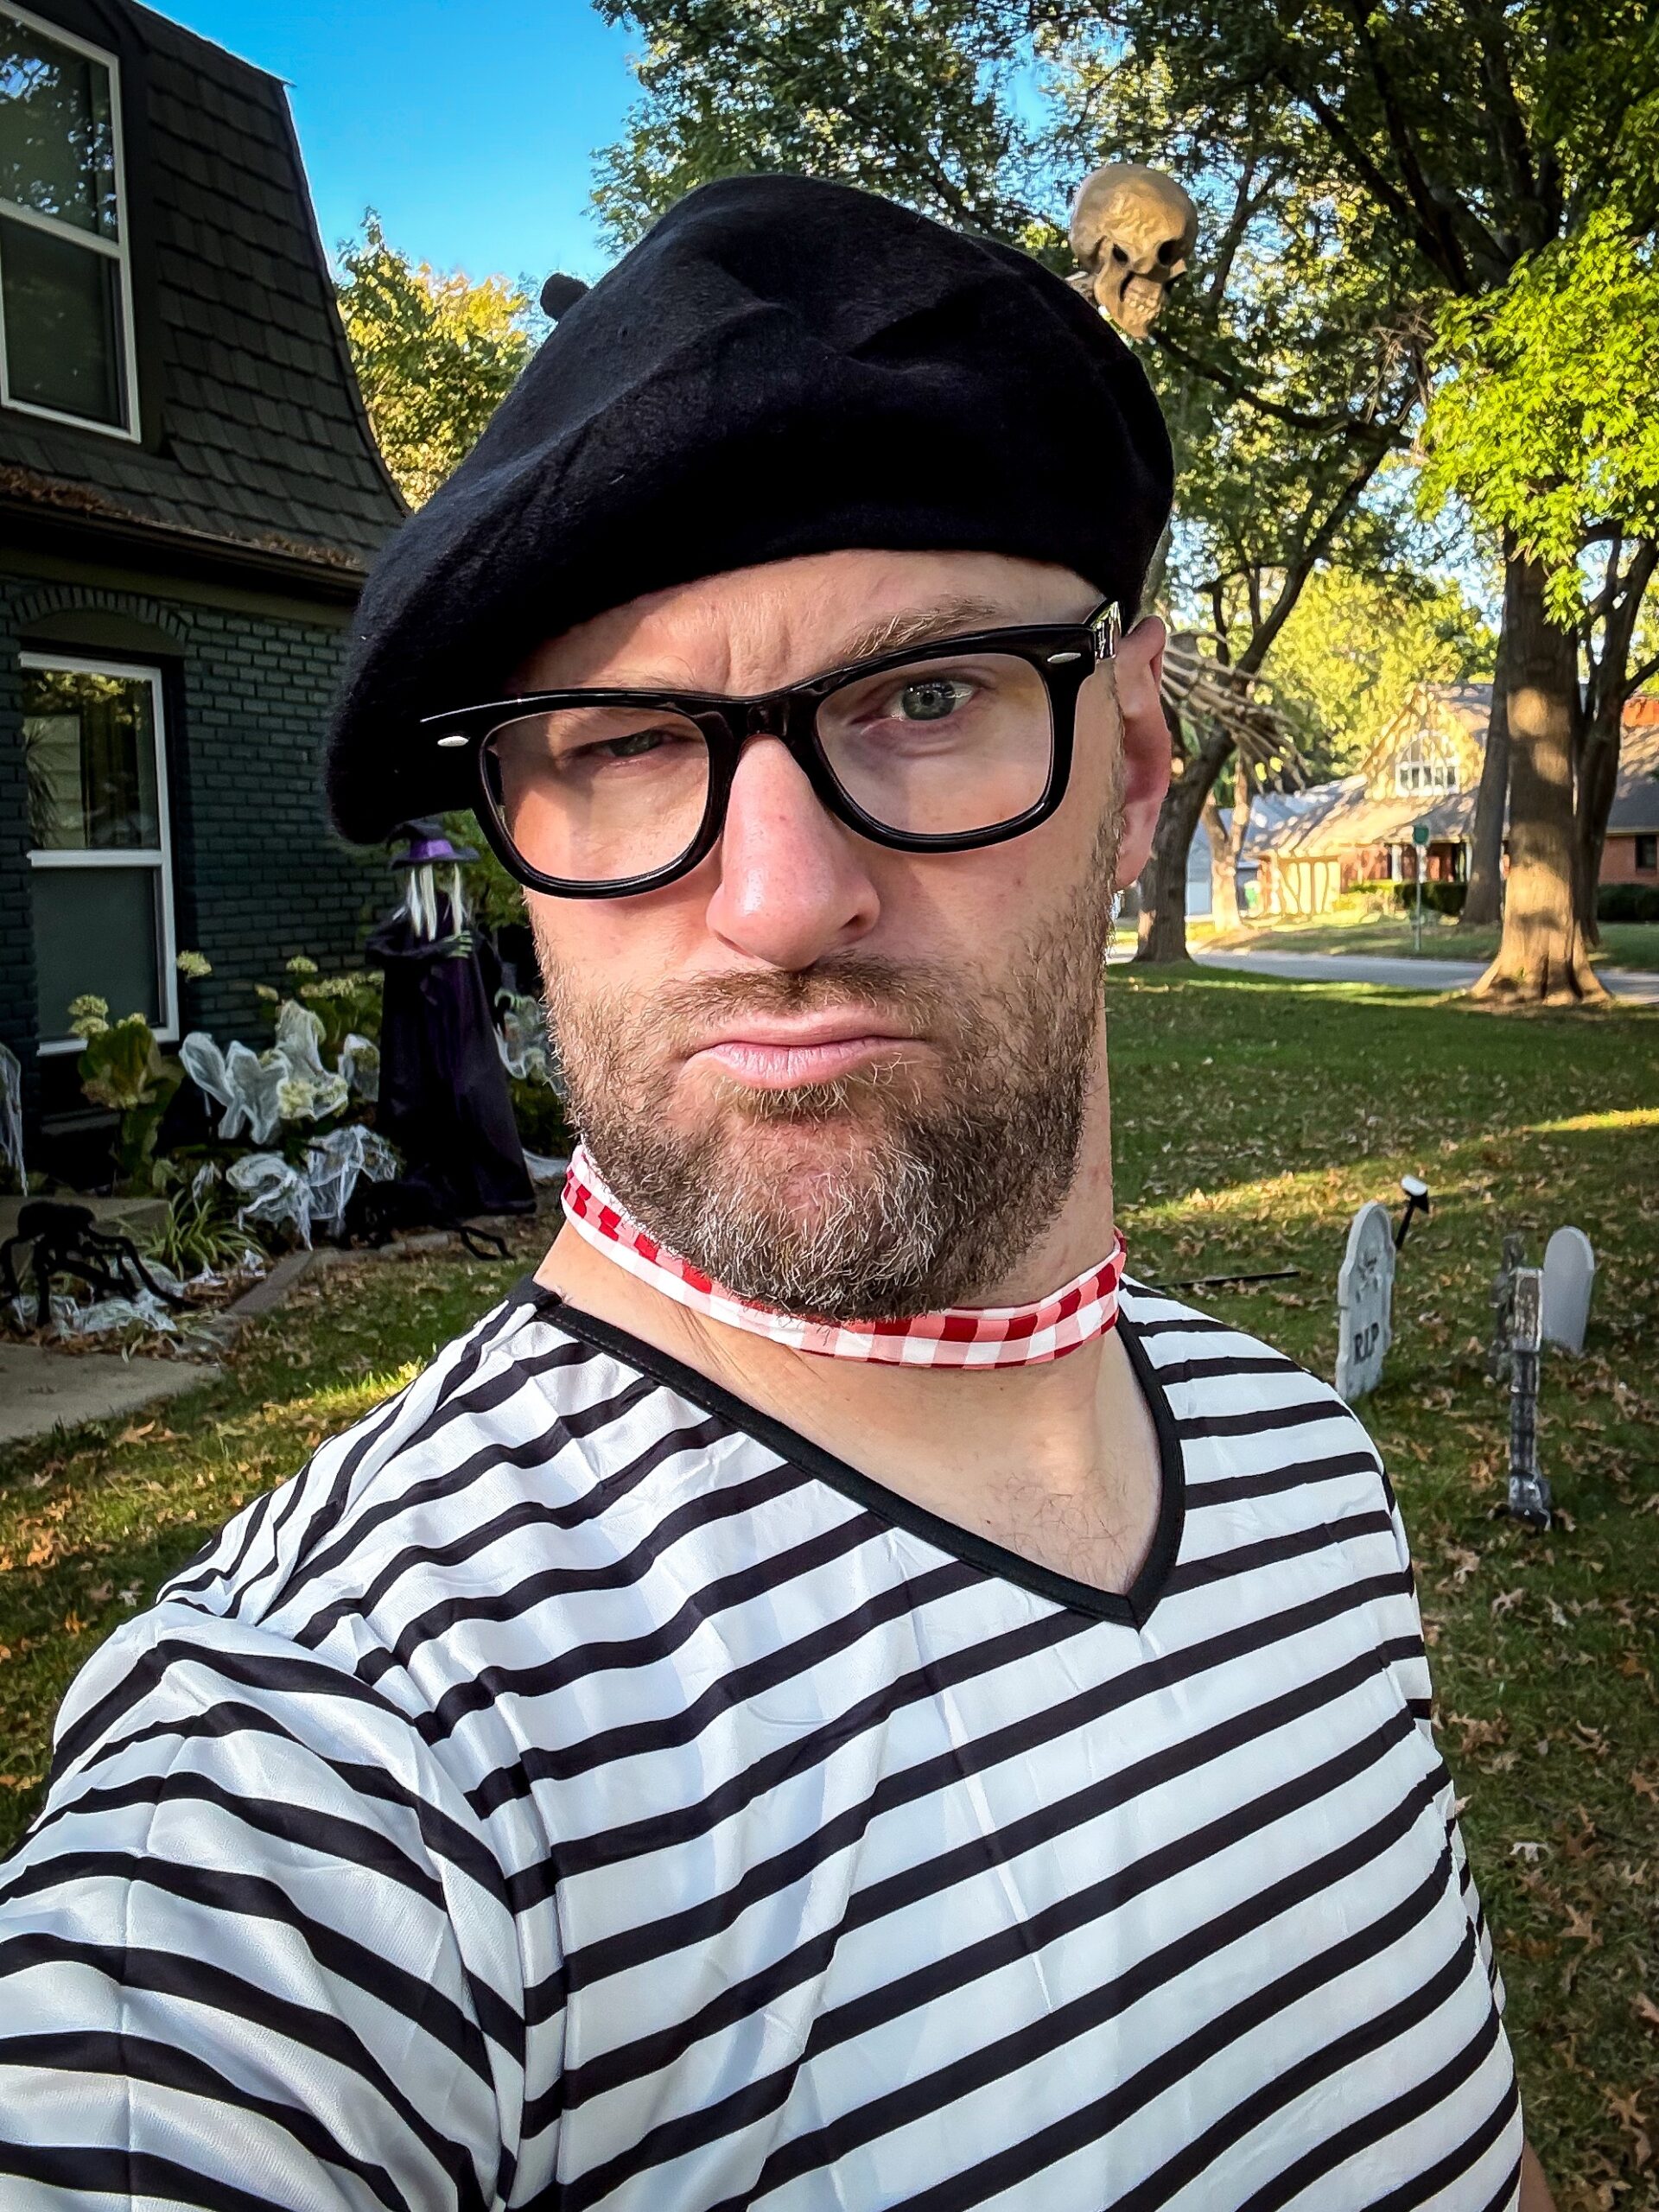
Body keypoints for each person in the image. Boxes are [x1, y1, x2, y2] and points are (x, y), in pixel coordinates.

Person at [0, 175, 1548, 2211]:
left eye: (925, 694)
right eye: (627, 740)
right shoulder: (359, 1752)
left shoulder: (1309, 1475)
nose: (782, 897)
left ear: (1131, 764)